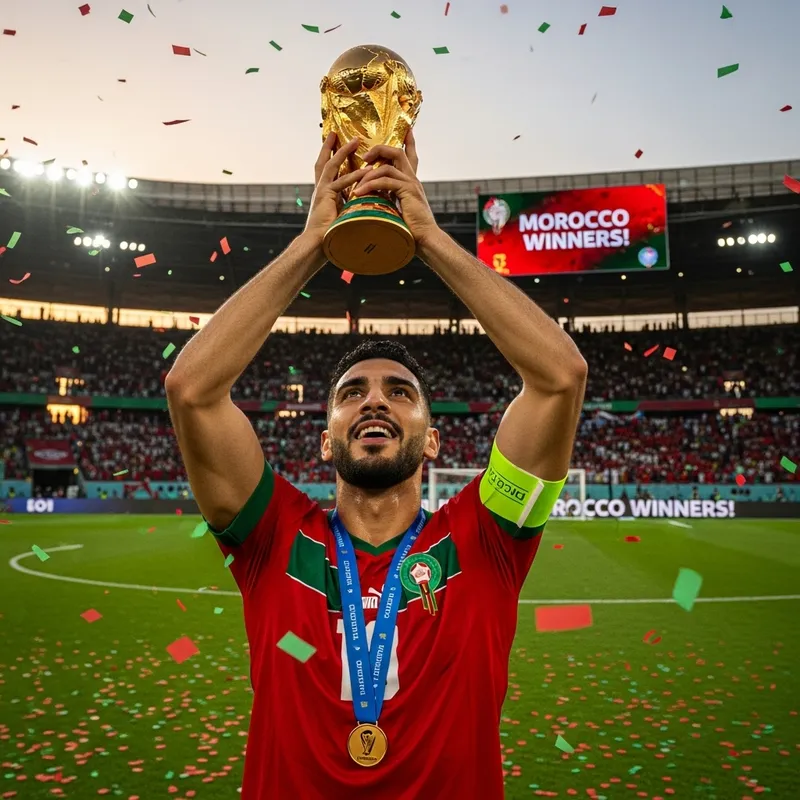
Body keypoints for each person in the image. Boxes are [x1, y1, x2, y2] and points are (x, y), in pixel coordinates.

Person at [166, 132, 587, 799]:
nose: (375, 402)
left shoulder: (487, 538)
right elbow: (191, 390)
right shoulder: (274, 536)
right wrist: (313, 242)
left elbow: (561, 378)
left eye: (400, 392)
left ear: (434, 440)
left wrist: (429, 239)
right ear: (326, 441)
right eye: (352, 393)